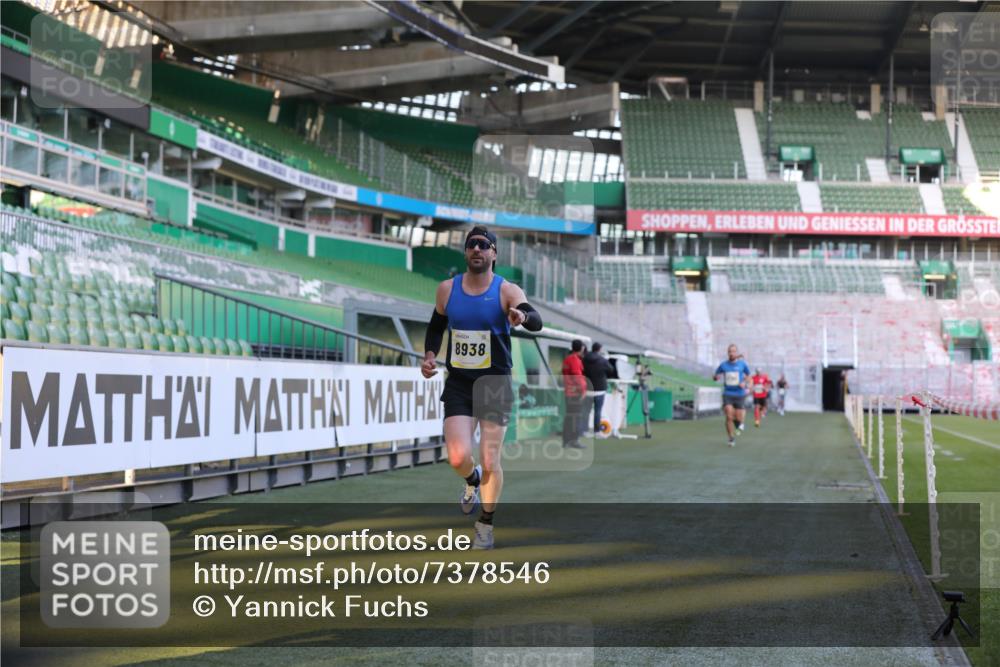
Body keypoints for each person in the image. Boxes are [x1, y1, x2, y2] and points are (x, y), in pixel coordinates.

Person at [422, 226, 543, 550]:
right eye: (472, 244)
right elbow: (436, 325)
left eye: (484, 245)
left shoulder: (506, 290)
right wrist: (430, 355)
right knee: (458, 456)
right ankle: (471, 480)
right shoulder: (447, 289)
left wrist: (522, 315)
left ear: (494, 254)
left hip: (495, 383)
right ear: (465, 252)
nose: (477, 249)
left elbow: (535, 319)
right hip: (460, 382)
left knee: (491, 460)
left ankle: (485, 523)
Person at [713, 344, 751, 448]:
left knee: (738, 418)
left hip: (739, 394)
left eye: (733, 351)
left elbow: (749, 377)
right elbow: (715, 376)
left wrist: (744, 383)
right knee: (729, 416)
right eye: (730, 351)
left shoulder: (742, 364)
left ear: (736, 352)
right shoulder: (723, 365)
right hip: (728, 393)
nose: (731, 353)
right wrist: (716, 377)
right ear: (727, 353)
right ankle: (731, 438)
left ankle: (739, 424)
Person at [582, 342, 613, 438]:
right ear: (599, 349)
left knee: (586, 410)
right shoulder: (602, 360)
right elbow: (611, 370)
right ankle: (597, 431)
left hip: (588, 388)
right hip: (599, 389)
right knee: (598, 411)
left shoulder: (584, 359)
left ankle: (584, 431)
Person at [561, 339, 588, 449]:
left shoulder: (567, 359)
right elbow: (578, 377)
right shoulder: (575, 360)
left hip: (568, 392)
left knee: (569, 418)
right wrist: (583, 391)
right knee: (575, 418)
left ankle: (567, 441)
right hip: (575, 393)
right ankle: (574, 440)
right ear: (581, 348)